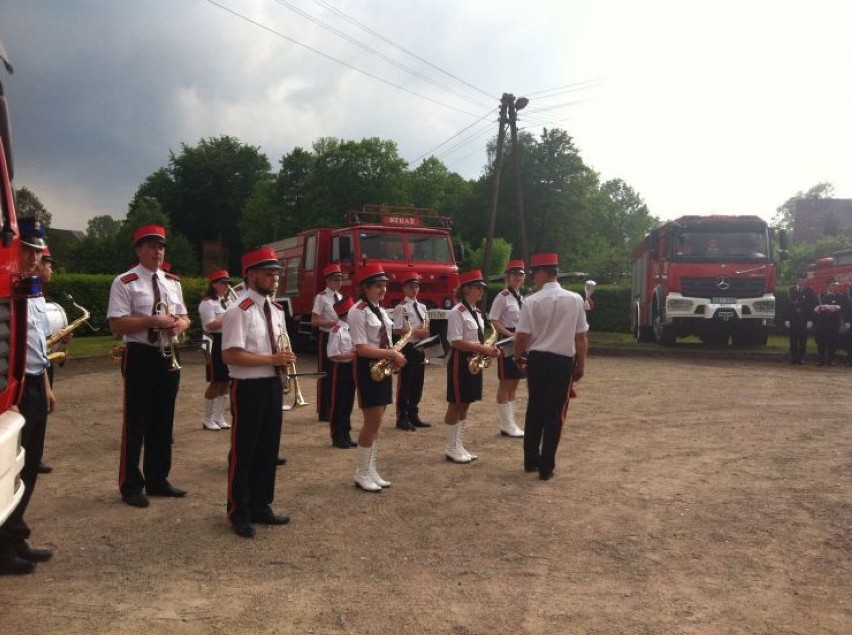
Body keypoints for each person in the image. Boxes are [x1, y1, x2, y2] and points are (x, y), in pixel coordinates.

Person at [107, 224, 191, 508]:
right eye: (152, 246)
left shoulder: (172, 281)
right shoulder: (125, 281)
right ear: (139, 249)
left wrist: (179, 324)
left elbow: (185, 317)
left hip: (167, 352)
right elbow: (116, 323)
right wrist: (151, 321)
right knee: (136, 421)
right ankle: (130, 484)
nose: (158, 251)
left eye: (161, 247)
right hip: (140, 353)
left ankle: (158, 479)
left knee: (163, 420)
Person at [222, 247, 296, 538]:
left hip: (272, 384)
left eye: (276, 273)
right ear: (250, 275)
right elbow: (230, 355)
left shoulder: (276, 310)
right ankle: (238, 510)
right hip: (248, 386)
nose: (274, 278)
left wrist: (283, 358)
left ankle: (261, 505)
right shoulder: (237, 311)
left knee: (268, 449)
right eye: (268, 273)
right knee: (245, 451)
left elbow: (278, 346)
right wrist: (271, 360)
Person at [0, 219, 57, 575]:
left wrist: (48, 386)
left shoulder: (32, 291)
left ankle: (17, 536)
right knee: (10, 469)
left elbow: (38, 347)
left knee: (30, 465)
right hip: (18, 390)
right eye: (29, 250)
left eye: (39, 252)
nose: (35, 257)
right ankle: (3, 548)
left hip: (37, 383)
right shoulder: (8, 291)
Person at [514, 253, 588, 481]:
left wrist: (518, 359)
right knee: (555, 413)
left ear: (543, 273)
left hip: (537, 360)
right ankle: (547, 466)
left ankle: (530, 460)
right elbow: (581, 337)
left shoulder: (531, 300)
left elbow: (522, 336)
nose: (532, 277)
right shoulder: (575, 299)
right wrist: (581, 365)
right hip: (562, 361)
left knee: (534, 409)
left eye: (534, 273)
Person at [347, 263, 406, 492]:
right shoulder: (357, 311)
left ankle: (371, 469)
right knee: (371, 422)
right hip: (367, 366)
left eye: (384, 285)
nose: (382, 290)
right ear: (365, 287)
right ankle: (360, 473)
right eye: (377, 286)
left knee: (378, 423)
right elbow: (361, 348)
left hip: (382, 366)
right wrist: (391, 353)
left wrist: (393, 355)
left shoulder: (381, 310)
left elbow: (386, 339)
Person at [443, 270, 500, 464]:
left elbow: (476, 338)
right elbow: (456, 341)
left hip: (474, 360)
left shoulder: (475, 312)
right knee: (456, 403)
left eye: (483, 288)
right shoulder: (457, 312)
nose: (482, 291)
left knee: (466, 403)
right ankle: (451, 447)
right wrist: (483, 348)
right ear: (466, 289)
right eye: (478, 288)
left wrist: (487, 350)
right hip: (461, 360)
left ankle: (459, 444)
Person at [488, 259, 526, 438]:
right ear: (508, 277)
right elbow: (494, 319)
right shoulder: (502, 296)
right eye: (514, 275)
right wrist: (509, 335)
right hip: (507, 339)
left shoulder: (522, 297)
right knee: (506, 380)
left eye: (520, 275)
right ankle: (505, 423)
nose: (517, 278)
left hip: (521, 339)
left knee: (515, 381)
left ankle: (511, 422)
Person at [392, 273, 431, 431]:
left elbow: (427, 329)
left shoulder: (422, 307)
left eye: (416, 286)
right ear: (404, 289)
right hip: (408, 346)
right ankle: (402, 417)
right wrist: (415, 331)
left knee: (418, 382)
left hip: (420, 346)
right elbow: (397, 329)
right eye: (411, 287)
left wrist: (424, 333)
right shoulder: (401, 307)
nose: (414, 289)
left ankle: (414, 414)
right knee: (405, 383)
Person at [198, 269, 233, 431]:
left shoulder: (225, 302)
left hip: (227, 340)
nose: (226, 286)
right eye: (223, 283)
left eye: (227, 283)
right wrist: (229, 317)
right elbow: (209, 325)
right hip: (214, 341)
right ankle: (207, 418)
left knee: (226, 380)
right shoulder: (207, 303)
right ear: (214, 284)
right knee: (215, 380)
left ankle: (219, 416)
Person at [311, 264, 344, 422]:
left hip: (339, 337)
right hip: (326, 336)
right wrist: (333, 323)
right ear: (328, 280)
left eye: (341, 279)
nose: (339, 282)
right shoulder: (321, 297)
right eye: (336, 279)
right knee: (325, 373)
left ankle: (333, 407)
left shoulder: (340, 297)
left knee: (337, 374)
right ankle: (323, 410)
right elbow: (315, 320)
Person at [326, 296, 357, 449]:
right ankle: (337, 435)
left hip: (352, 367)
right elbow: (332, 354)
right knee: (338, 402)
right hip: (340, 368)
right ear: (346, 313)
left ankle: (346, 433)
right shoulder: (336, 330)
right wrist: (352, 355)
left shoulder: (352, 328)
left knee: (348, 402)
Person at [813, 278, 845, 366]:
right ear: (828, 286)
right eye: (833, 285)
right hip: (822, 322)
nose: (835, 287)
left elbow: (843, 309)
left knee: (833, 342)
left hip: (834, 323)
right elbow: (815, 308)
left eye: (836, 285)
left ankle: (830, 360)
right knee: (821, 342)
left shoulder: (840, 296)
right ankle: (820, 360)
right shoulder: (820, 295)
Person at [785, 273, 815, 365]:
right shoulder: (791, 290)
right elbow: (787, 306)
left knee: (803, 340)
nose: (801, 282)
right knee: (793, 339)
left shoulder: (809, 291)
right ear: (797, 281)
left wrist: (810, 319)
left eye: (803, 281)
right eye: (800, 281)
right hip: (793, 319)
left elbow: (811, 306)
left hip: (804, 319)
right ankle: (793, 357)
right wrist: (787, 319)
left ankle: (801, 358)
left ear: (805, 281)